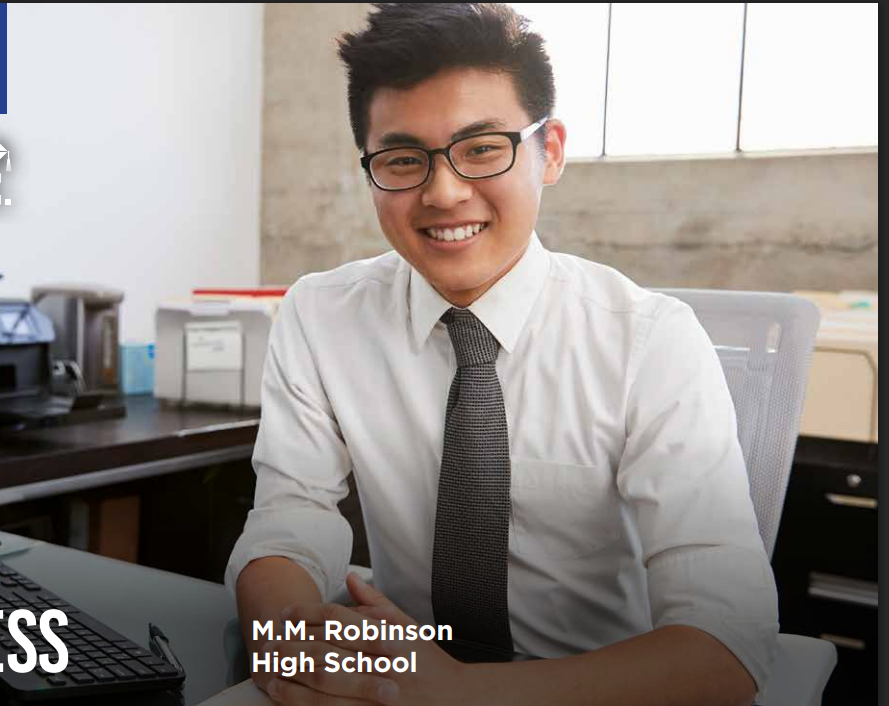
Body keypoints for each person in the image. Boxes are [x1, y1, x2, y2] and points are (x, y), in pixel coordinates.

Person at [226, 4, 777, 705]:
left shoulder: (650, 340)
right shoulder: (320, 314)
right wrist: (286, 634)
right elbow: (292, 513)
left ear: (548, 153)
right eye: (401, 160)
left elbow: (725, 644)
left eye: (482, 148)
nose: (443, 192)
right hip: (400, 678)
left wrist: (455, 693)